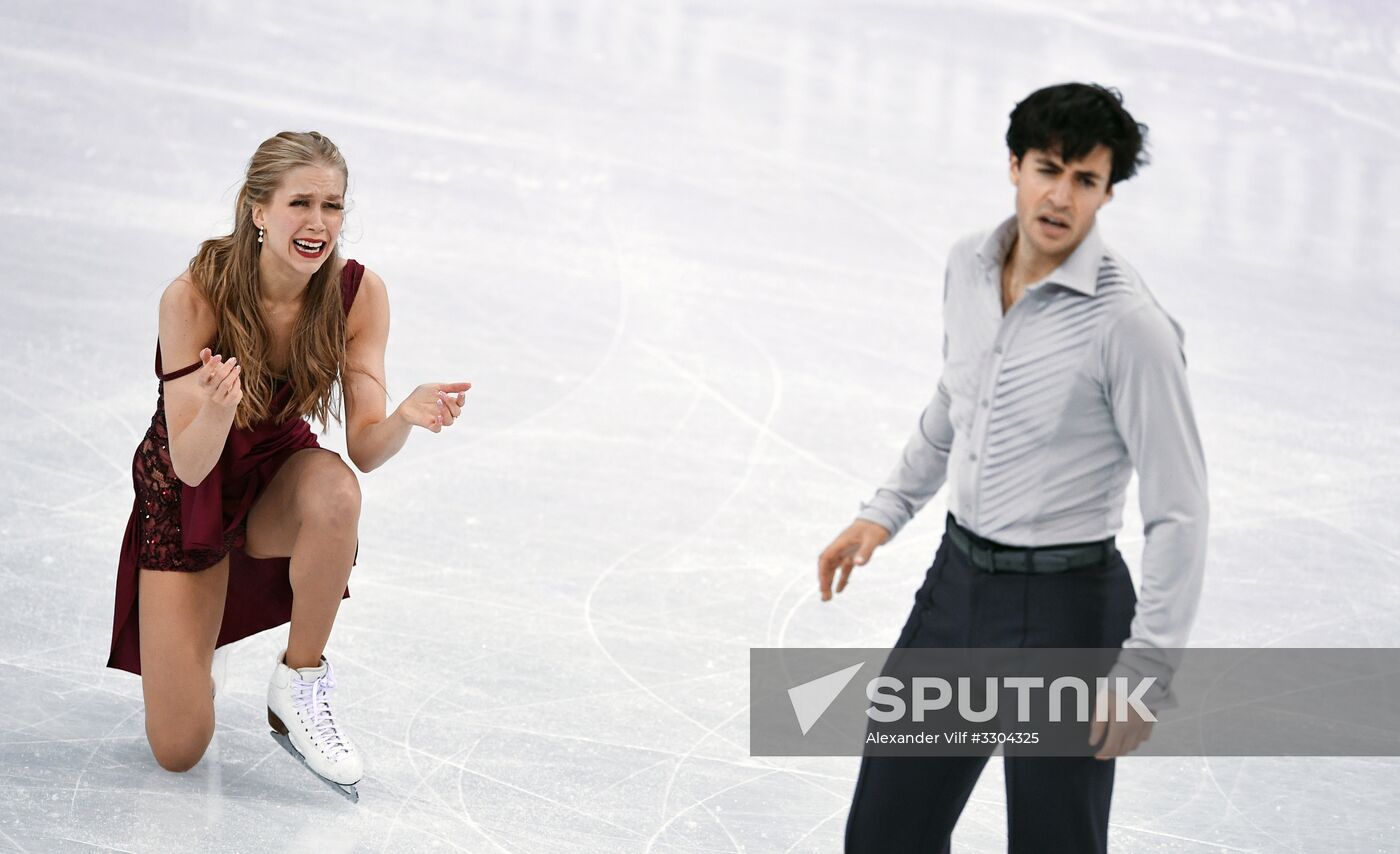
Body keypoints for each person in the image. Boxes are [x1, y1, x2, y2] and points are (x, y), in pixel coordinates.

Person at [817, 83, 1208, 853]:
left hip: (1069, 616)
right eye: (1047, 168)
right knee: (885, 833)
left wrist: (1146, 669)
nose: (1060, 196)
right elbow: (957, 398)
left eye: (1085, 180)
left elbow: (1180, 512)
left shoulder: (1130, 327)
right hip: (958, 593)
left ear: (1107, 192)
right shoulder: (969, 265)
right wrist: (884, 510)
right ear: (1014, 166)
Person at [106, 131, 471, 793]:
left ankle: (299, 684)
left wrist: (403, 418)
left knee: (336, 495)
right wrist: (216, 410)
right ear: (258, 210)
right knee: (180, 749)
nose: (317, 222)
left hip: (274, 472)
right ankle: (198, 633)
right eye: (299, 202)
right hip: (189, 489)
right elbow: (189, 468)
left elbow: (364, 448)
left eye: (332, 206)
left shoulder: (358, 294)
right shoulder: (193, 296)